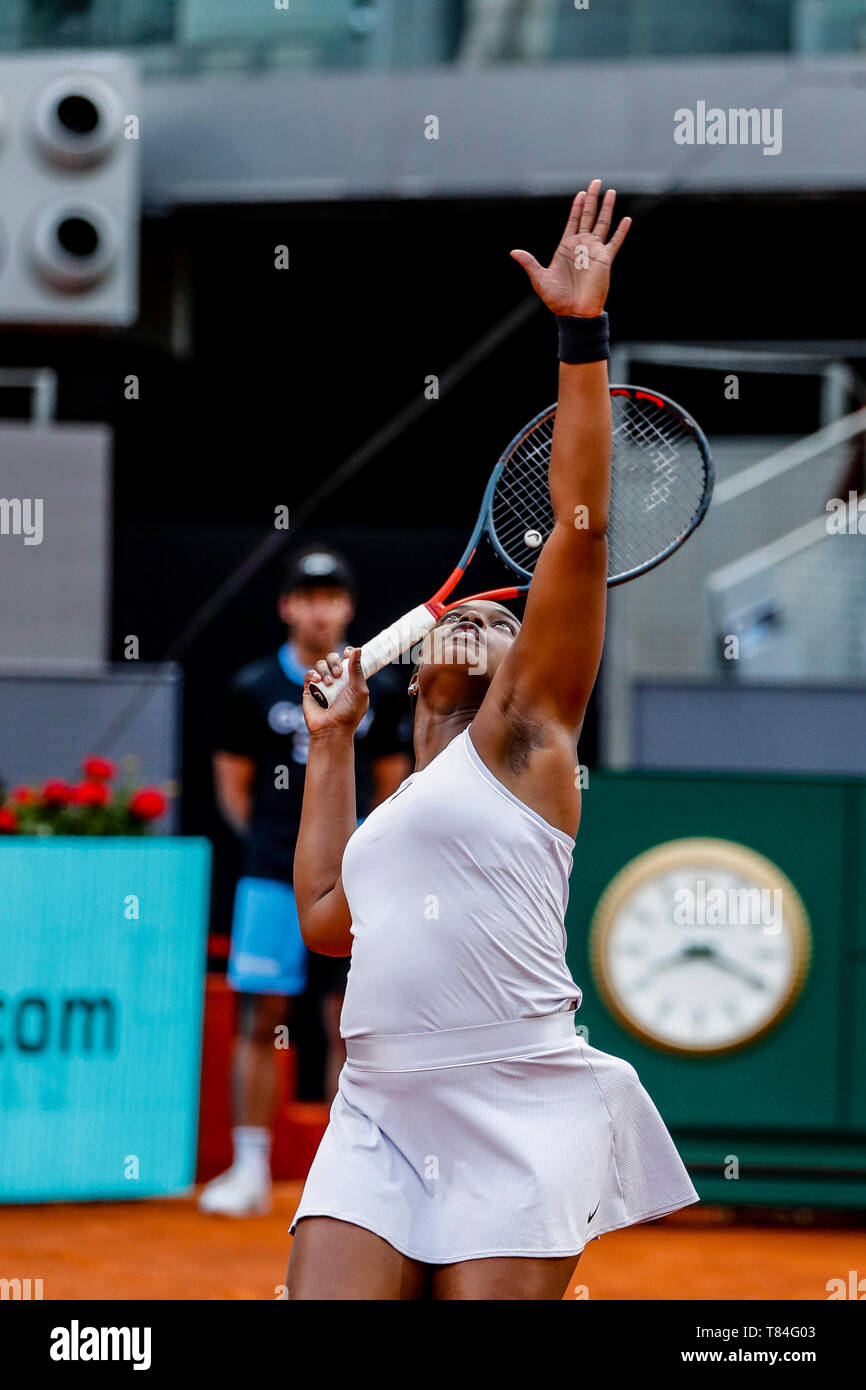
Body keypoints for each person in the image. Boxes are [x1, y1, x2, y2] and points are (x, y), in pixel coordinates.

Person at [286, 182, 699, 1299]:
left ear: (516, 657)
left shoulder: (520, 737)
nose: (483, 617)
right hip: (375, 1109)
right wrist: (331, 747)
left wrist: (578, 335)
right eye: (467, 617)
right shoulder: (401, 805)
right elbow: (328, 919)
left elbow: (580, 526)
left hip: (514, 1100)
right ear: (422, 664)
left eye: (504, 620)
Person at [199, 547, 412, 1217]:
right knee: (262, 1016)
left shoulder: (375, 687)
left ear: (348, 608)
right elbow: (232, 788)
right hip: (268, 878)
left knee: (350, 1020)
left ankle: (352, 1175)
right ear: (288, 606)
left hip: (356, 881)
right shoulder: (252, 687)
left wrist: (359, 855)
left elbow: (393, 781)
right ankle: (250, 1170)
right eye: (307, 596)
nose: (320, 609)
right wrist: (279, 850)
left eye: (332, 597)